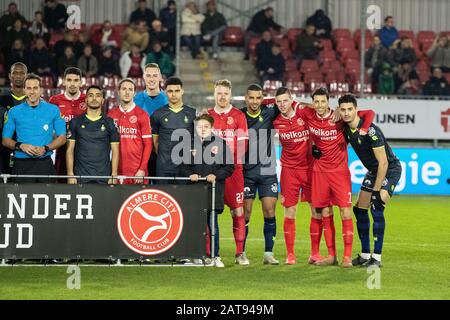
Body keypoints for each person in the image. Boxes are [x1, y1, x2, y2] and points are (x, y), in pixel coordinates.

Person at [302, 87, 374, 268]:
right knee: (325, 212)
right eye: (316, 102)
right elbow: (293, 105)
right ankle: (331, 255)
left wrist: (364, 128)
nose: (319, 105)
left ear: (329, 102)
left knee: (345, 212)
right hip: (319, 172)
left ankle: (347, 257)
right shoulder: (308, 115)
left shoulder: (339, 117)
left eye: (323, 102)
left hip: (339, 173)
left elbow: (370, 113)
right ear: (313, 102)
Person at [339, 94, 402, 267]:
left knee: (376, 207)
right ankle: (366, 255)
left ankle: (377, 258)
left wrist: (376, 191)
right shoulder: (345, 129)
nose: (346, 113)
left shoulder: (371, 131)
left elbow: (383, 162)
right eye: (343, 109)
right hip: (373, 171)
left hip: (389, 169)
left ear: (356, 110)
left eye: (349, 109)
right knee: (359, 210)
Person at [182, 114, 234, 267]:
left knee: (213, 225)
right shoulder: (188, 144)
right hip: (195, 191)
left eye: (205, 127)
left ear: (212, 128)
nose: (202, 129)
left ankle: (215, 255)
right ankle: (196, 255)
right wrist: (189, 174)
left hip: (213, 192)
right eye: (199, 127)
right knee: (195, 225)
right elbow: (183, 167)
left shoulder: (220, 144)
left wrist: (216, 175)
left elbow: (229, 167)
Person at [207, 79, 249, 265]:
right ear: (214, 94)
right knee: (209, 213)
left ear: (230, 94)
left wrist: (229, 163)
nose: (222, 96)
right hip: (212, 172)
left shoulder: (239, 116)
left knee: (237, 211)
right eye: (219, 93)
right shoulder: (207, 116)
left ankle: (240, 253)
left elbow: (242, 145)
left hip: (233, 172)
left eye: (225, 93)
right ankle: (210, 254)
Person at [2, 73, 66, 183]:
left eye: (35, 88)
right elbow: (5, 140)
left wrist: (45, 148)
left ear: (41, 90)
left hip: (45, 164)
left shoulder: (53, 110)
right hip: (21, 164)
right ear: (24, 90)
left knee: (48, 198)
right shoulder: (13, 111)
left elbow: (62, 137)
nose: (32, 92)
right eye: (29, 88)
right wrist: (21, 145)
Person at [241, 84, 280, 265]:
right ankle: (241, 252)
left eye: (258, 98)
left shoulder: (269, 112)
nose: (255, 101)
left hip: (267, 170)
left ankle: (268, 253)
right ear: (246, 98)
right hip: (247, 171)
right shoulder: (239, 115)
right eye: (251, 98)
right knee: (246, 213)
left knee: (269, 210)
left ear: (262, 98)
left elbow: (288, 102)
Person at [66, 85, 120, 184]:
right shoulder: (75, 122)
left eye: (98, 95)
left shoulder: (110, 122)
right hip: (80, 177)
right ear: (86, 100)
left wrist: (114, 175)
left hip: (104, 177)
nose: (94, 98)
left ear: (103, 100)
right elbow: (70, 149)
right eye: (91, 95)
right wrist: (70, 174)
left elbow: (115, 150)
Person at [150, 77, 196, 180]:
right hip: (164, 168)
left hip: (186, 169)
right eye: (170, 91)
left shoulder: (193, 114)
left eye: (177, 91)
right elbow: (155, 143)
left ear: (182, 91)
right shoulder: (157, 114)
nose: (174, 94)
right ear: (166, 92)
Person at [107, 79, 152, 185]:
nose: (127, 92)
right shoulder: (111, 115)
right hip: (115, 172)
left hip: (137, 173)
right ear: (118, 91)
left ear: (134, 93)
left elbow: (148, 145)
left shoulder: (142, 115)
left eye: (130, 89)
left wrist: (142, 169)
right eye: (124, 89)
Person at [49, 67, 86, 177]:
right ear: (64, 81)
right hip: (62, 148)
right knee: (62, 181)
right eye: (69, 80)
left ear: (80, 82)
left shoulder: (88, 100)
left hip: (83, 149)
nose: (72, 84)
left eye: (76, 80)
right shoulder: (54, 100)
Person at [134, 63, 168, 178]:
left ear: (160, 78)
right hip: (141, 149)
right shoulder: (135, 99)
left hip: (162, 148)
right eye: (148, 75)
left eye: (154, 75)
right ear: (144, 77)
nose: (151, 79)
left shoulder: (169, 99)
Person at [0, 62, 27, 174]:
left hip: (27, 154)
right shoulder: (1, 101)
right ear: (10, 76)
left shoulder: (35, 101)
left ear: (26, 75)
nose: (18, 76)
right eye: (15, 73)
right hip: (4, 154)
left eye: (22, 73)